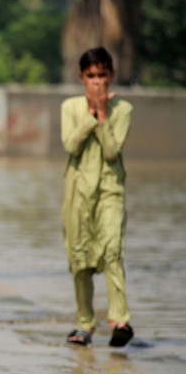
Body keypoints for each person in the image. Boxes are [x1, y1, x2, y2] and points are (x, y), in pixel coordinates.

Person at [61, 46, 134, 347]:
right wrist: (91, 115)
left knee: (112, 251)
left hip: (110, 190)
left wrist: (103, 114)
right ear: (81, 78)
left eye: (102, 75)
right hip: (78, 193)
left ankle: (120, 320)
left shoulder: (123, 110)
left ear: (111, 76)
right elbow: (70, 145)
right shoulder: (70, 108)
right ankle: (85, 325)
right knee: (80, 260)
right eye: (91, 76)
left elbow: (112, 151)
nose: (96, 82)